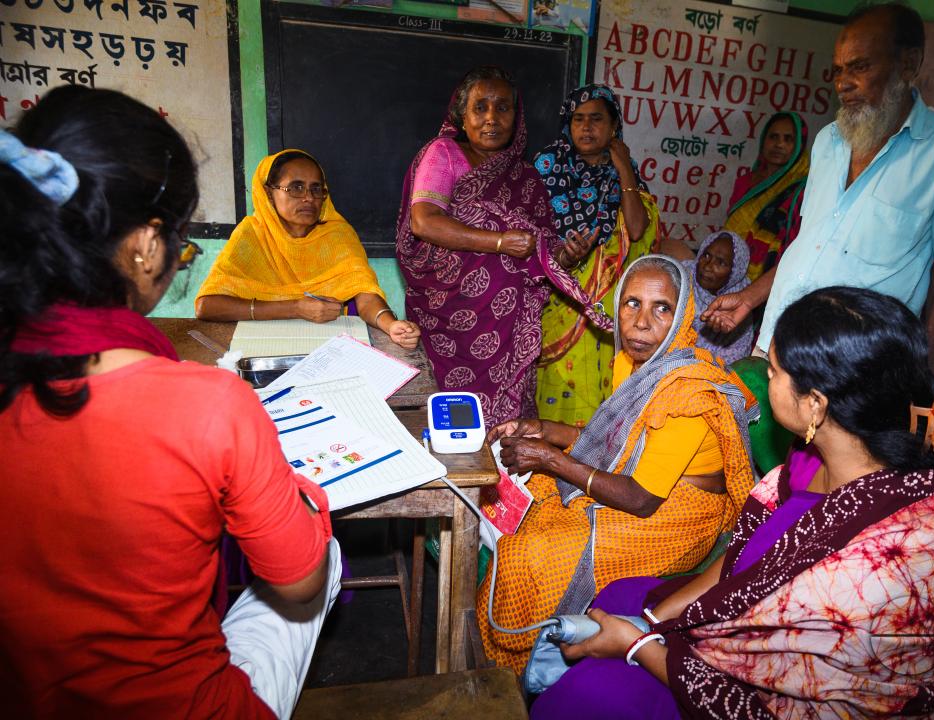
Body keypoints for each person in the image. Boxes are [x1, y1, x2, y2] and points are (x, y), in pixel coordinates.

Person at [0, 87, 340, 718]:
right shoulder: (209, 404)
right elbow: (299, 584)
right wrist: (294, 489)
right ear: (145, 243)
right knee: (323, 554)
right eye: (183, 246)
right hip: (186, 705)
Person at [532, 286, 934, 720]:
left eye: (772, 371)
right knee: (617, 596)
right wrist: (655, 619)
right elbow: (746, 556)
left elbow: (766, 706)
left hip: (761, 693)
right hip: (736, 612)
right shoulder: (817, 457)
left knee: (584, 697)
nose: (764, 379)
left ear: (815, 404)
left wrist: (639, 645)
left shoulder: (871, 573)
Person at [479, 254, 757, 673]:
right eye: (632, 303)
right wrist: (547, 429)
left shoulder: (687, 395)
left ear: (683, 314)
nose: (641, 323)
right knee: (525, 495)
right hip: (644, 486)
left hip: (676, 515)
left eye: (661, 308)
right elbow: (621, 443)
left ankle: (518, 666)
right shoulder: (635, 361)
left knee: (532, 553)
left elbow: (642, 498)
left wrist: (553, 459)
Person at [702, 3, 934, 372]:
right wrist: (749, 298)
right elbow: (810, 244)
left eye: (860, 66)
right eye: (838, 70)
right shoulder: (828, 141)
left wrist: (923, 378)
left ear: (908, 63)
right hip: (778, 337)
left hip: (854, 362)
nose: (843, 83)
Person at [396, 66, 606, 427]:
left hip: (508, 333)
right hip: (448, 316)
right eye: (480, 108)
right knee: (454, 421)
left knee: (506, 428)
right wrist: (498, 241)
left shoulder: (524, 176)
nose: (491, 118)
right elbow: (424, 221)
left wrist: (562, 257)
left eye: (503, 108)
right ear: (463, 115)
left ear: (516, 116)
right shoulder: (443, 153)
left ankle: (505, 478)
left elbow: (535, 248)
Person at [196, 149, 419, 349]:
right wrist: (295, 308)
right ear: (268, 193)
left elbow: (365, 295)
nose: (309, 198)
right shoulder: (251, 235)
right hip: (264, 345)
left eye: (316, 189)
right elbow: (207, 306)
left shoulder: (338, 235)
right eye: (296, 187)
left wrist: (391, 325)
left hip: (329, 346)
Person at [534, 83, 660, 426]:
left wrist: (623, 170)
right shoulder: (546, 167)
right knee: (552, 395)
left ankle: (587, 465)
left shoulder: (624, 171)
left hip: (607, 307)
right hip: (556, 299)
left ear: (614, 126)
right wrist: (564, 259)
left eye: (597, 119)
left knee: (600, 400)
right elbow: (530, 237)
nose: (587, 127)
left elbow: (637, 231)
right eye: (578, 119)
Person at [723, 111, 809, 282]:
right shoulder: (745, 181)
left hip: (771, 277)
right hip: (728, 267)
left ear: (799, 144)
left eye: (788, 139)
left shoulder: (802, 189)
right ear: (763, 141)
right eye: (773, 137)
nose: (779, 144)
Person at [679, 230, 753, 364]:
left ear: (735, 271)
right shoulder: (680, 278)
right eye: (706, 255)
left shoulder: (741, 302)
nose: (708, 266)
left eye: (721, 263)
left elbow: (733, 360)